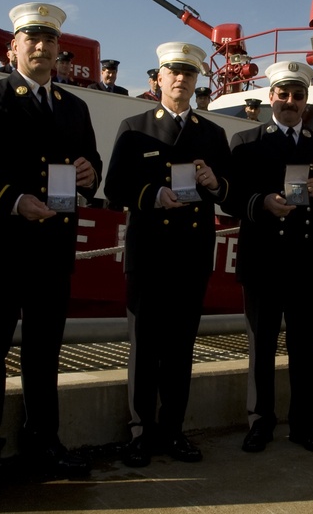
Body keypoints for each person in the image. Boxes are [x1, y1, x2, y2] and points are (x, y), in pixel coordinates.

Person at [0, 3, 102, 488]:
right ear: (12, 47)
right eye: (31, 38)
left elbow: (91, 164)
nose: (41, 46)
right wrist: (13, 202)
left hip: (53, 249)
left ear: (59, 50)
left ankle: (43, 443)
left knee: (44, 352)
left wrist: (89, 173)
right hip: (2, 245)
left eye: (49, 40)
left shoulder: (74, 107)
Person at [104, 41, 232, 468]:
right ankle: (140, 433)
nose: (181, 79)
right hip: (150, 254)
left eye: (189, 73)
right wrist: (151, 195)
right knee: (143, 347)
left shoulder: (212, 135)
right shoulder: (135, 126)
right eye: (173, 71)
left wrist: (215, 182)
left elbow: (229, 195)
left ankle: (173, 431)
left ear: (197, 82)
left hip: (191, 257)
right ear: (158, 78)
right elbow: (114, 188)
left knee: (180, 348)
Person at [227, 61, 313, 454]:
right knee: (261, 347)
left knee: (306, 348)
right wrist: (263, 203)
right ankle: (260, 422)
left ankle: (305, 426)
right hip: (263, 261)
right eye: (283, 94)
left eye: (298, 95)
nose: (290, 101)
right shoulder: (246, 142)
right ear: (271, 96)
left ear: (306, 101)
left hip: (306, 262)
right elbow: (230, 199)